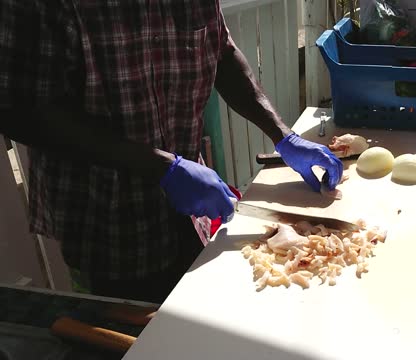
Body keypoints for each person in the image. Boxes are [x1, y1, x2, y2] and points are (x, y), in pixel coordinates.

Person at [0, 0, 343, 304]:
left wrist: (283, 135)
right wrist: (162, 167)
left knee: (200, 319)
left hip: (189, 213)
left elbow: (220, 49)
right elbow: (22, 112)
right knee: (133, 341)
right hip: (104, 225)